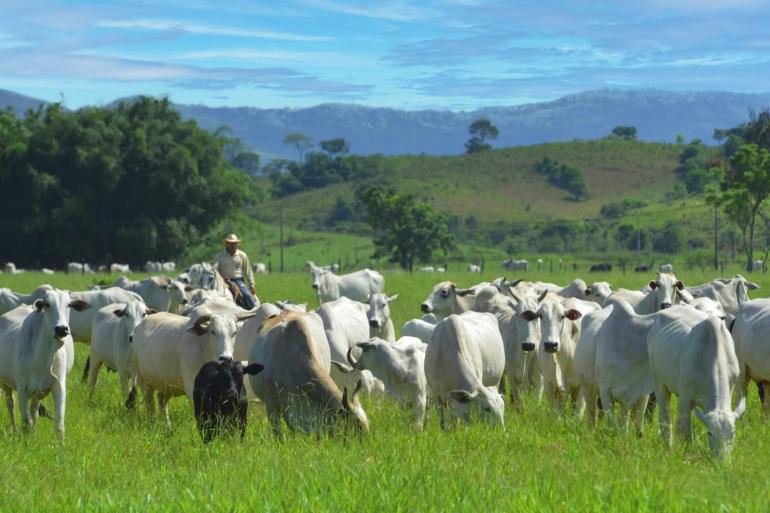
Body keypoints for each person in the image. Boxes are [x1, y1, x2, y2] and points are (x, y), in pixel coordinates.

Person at [214, 233, 257, 309]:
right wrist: (223, 279)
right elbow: (215, 271)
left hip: (238, 281)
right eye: (230, 243)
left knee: (248, 296)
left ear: (237, 244)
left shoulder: (242, 255)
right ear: (226, 244)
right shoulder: (219, 256)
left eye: (234, 243)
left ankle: (255, 311)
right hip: (223, 282)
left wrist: (252, 283)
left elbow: (248, 270)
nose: (232, 245)